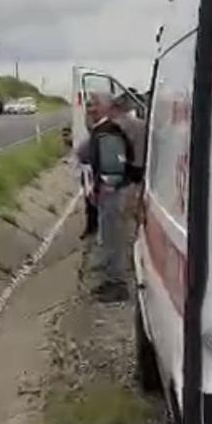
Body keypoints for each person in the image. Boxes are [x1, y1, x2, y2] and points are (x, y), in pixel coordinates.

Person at [86, 92, 134, 303]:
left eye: (95, 104)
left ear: (106, 107)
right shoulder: (105, 130)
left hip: (111, 194)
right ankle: (110, 281)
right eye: (89, 104)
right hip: (108, 193)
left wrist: (106, 186)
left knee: (113, 239)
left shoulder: (107, 132)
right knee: (108, 238)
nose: (90, 108)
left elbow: (114, 164)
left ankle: (117, 285)